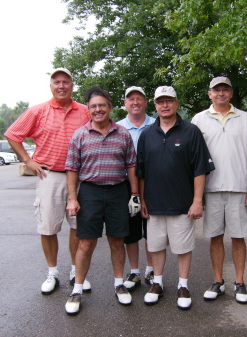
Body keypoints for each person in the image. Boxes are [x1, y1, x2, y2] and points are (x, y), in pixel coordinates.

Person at [5, 68, 91, 295]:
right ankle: (52, 273)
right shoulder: (38, 111)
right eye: (56, 82)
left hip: (80, 176)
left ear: (73, 85)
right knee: (48, 227)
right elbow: (13, 135)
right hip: (49, 175)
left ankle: (76, 271)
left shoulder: (84, 111)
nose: (61, 86)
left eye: (66, 82)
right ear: (51, 86)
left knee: (78, 227)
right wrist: (28, 161)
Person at [136, 86, 214, 310]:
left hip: (182, 204)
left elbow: (200, 169)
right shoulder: (147, 134)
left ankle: (183, 286)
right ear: (155, 105)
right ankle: (157, 283)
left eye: (169, 101)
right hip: (154, 204)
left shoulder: (191, 131)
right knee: (156, 246)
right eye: (160, 101)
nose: (165, 105)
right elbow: (141, 171)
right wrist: (142, 199)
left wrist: (197, 201)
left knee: (182, 248)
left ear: (176, 103)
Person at [64, 86, 140, 315]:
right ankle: (77, 289)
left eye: (102, 105)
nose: (98, 110)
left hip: (118, 192)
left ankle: (119, 284)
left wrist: (135, 195)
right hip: (90, 193)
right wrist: (72, 198)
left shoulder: (123, 133)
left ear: (110, 108)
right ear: (88, 110)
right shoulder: (80, 135)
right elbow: (71, 169)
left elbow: (131, 166)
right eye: (93, 106)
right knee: (86, 243)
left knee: (117, 241)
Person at [191, 76, 247, 304]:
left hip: (239, 189)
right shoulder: (199, 120)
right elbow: (193, 159)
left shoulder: (245, 118)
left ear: (231, 93)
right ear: (209, 93)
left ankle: (240, 282)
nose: (220, 93)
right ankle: (218, 281)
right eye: (216, 90)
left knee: (238, 237)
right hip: (210, 189)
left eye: (225, 90)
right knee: (215, 238)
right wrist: (197, 195)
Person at [116, 86, 155, 290]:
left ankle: (150, 268)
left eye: (139, 98)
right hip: (125, 185)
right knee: (131, 232)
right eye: (131, 99)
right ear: (125, 103)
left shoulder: (157, 125)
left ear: (146, 102)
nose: (135, 102)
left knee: (150, 229)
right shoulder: (117, 128)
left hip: (152, 184)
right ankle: (134, 272)